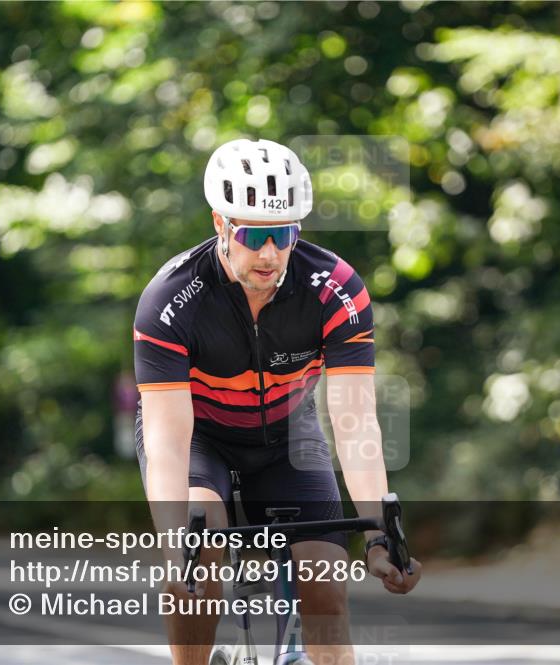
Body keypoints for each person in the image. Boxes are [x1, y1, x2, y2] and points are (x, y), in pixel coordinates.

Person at [133, 138, 421, 665]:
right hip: (201, 439)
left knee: (327, 594)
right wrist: (176, 543)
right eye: (254, 234)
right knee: (198, 556)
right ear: (220, 224)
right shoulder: (170, 300)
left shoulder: (336, 289)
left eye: (283, 233)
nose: (269, 252)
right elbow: (167, 441)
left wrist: (381, 536)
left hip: (288, 437)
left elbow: (355, 424)